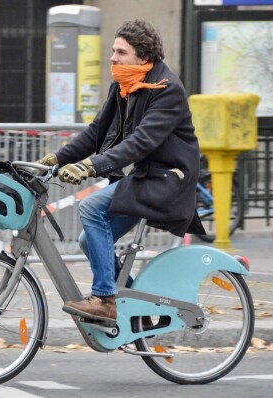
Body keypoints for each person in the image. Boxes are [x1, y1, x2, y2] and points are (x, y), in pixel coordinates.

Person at [37, 19, 205, 327]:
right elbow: (96, 132)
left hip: (169, 180)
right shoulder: (124, 85)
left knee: (90, 207)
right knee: (90, 240)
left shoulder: (168, 90)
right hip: (146, 177)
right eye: (114, 51)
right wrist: (56, 159)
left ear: (143, 57)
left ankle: (105, 299)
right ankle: (134, 303)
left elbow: (141, 142)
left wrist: (91, 165)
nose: (112, 58)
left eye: (120, 52)